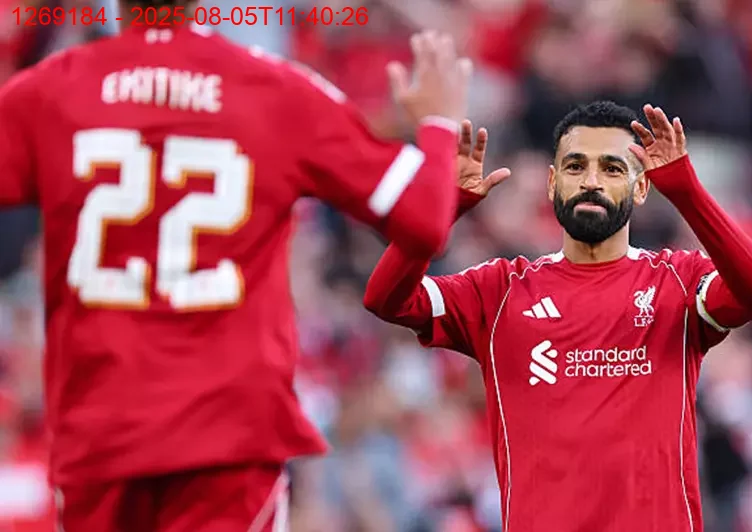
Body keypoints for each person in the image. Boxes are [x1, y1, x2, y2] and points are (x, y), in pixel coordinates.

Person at [0, 0, 473, 526]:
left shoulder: (50, 90)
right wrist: (437, 124)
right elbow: (424, 220)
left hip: (98, 434)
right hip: (226, 436)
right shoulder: (273, 89)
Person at [363, 101, 752, 531]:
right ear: (552, 183)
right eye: (576, 166)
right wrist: (439, 212)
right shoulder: (499, 291)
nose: (591, 181)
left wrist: (685, 191)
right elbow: (385, 299)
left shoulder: (677, 281)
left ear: (641, 188)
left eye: (612, 169)